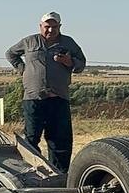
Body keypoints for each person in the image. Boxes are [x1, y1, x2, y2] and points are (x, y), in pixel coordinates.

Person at [5, 12, 86, 172]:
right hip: (33, 98)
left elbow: (81, 63)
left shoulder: (68, 43)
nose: (50, 30)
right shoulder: (29, 41)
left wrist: (69, 62)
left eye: (54, 27)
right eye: (47, 26)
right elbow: (10, 53)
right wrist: (23, 69)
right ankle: (33, 173)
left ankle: (60, 175)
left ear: (59, 27)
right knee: (31, 138)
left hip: (58, 98)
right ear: (40, 26)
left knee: (60, 141)